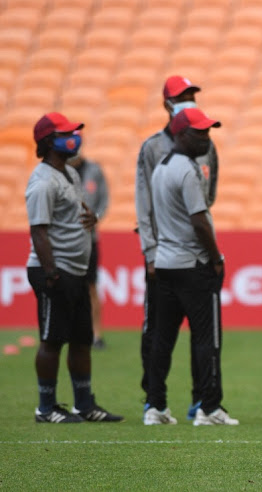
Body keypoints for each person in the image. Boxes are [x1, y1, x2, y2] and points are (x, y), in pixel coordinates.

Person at [25, 112, 122, 423]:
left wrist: (91, 219)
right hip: (56, 270)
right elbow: (38, 230)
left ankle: (84, 403)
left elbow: (76, 213)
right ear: (48, 142)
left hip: (76, 270)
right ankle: (46, 407)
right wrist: (51, 272)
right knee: (52, 339)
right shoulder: (42, 182)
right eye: (67, 134)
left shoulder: (70, 173)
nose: (75, 138)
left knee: (82, 338)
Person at [143, 107, 237, 426]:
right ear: (181, 134)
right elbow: (199, 220)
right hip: (192, 264)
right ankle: (208, 409)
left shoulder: (162, 167)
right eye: (200, 132)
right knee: (206, 338)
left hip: (166, 263)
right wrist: (216, 257)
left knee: (162, 337)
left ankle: (155, 406)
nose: (206, 138)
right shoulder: (188, 170)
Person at [135, 75, 219, 419]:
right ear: (167, 103)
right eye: (182, 96)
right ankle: (159, 400)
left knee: (169, 333)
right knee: (165, 333)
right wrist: (150, 250)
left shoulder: (205, 146)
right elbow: (146, 204)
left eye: (191, 95)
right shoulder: (153, 148)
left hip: (178, 252)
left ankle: (191, 400)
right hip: (175, 254)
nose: (188, 100)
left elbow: (208, 193)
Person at [69, 151, 109, 350]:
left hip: (89, 238)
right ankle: (71, 331)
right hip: (66, 240)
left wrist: (97, 217)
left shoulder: (94, 169)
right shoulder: (60, 171)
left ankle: (97, 334)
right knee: (69, 287)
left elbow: (104, 199)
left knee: (91, 286)